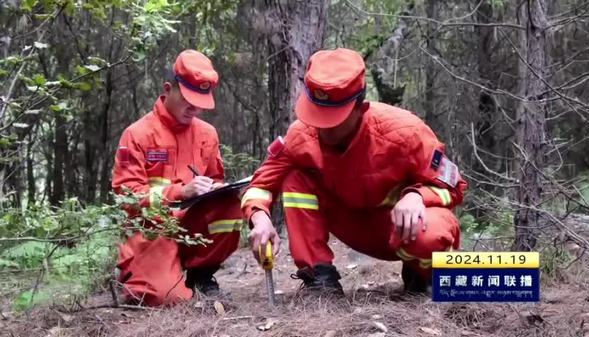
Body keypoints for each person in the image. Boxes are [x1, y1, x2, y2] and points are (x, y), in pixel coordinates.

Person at [241, 48, 467, 294]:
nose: (322, 129)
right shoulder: (301, 135)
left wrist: (417, 196)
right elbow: (261, 184)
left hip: (399, 228)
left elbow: (454, 188)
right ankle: (319, 277)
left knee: (430, 235)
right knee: (296, 177)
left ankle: (425, 276)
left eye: (333, 120)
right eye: (316, 116)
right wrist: (259, 217)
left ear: (361, 108)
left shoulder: (406, 133)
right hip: (350, 225)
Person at [112, 49, 243, 306]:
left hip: (191, 227)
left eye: (200, 101)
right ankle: (139, 272)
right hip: (152, 231)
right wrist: (179, 193)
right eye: (187, 98)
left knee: (229, 204)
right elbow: (126, 197)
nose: (194, 108)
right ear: (168, 88)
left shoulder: (207, 134)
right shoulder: (137, 134)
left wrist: (218, 188)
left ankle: (201, 275)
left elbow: (215, 178)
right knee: (166, 299)